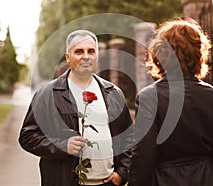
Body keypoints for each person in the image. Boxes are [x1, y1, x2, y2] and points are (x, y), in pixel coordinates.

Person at [19, 30, 133, 186]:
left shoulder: (113, 92)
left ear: (96, 56)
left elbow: (130, 138)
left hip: (107, 183)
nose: (86, 56)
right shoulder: (47, 94)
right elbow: (27, 136)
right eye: (79, 51)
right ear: (68, 57)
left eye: (91, 51)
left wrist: (122, 173)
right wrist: (61, 145)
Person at [128, 18, 213, 186]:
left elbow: (143, 155)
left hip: (164, 179)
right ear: (198, 53)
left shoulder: (149, 97)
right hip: (205, 178)